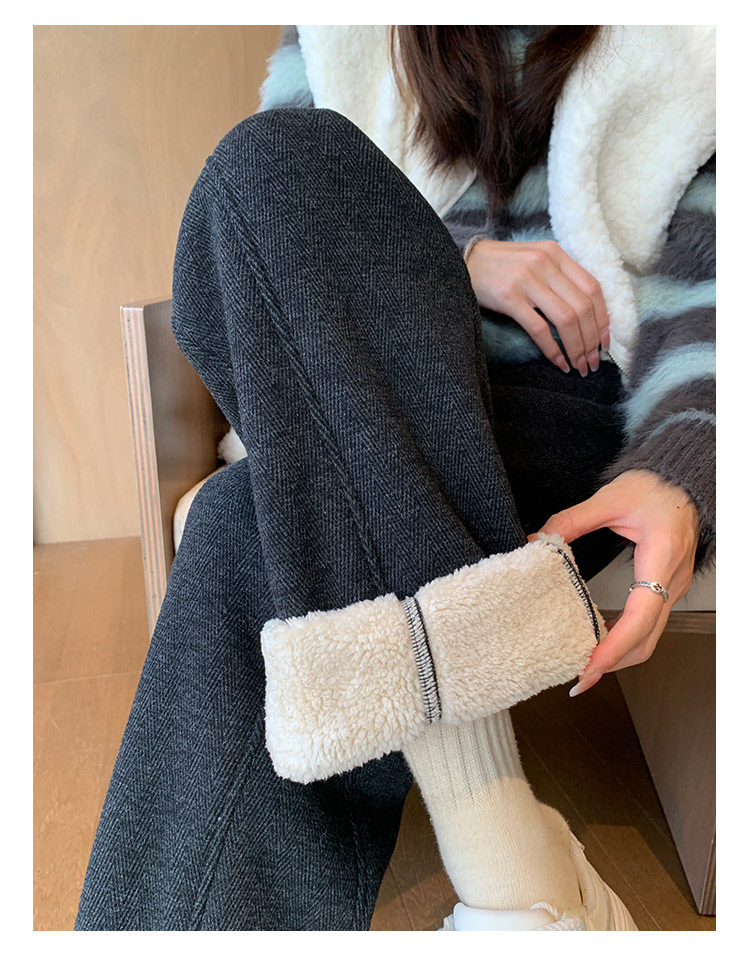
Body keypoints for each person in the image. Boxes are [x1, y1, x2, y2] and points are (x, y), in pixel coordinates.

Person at [75, 25, 715, 931]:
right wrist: (455, 267)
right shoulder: (341, 29)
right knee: (267, 160)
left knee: (240, 523)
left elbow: (714, 306)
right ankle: (508, 857)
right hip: (361, 371)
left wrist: (680, 472)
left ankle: (509, 872)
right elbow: (270, 247)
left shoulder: (692, 45)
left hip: (557, 403)